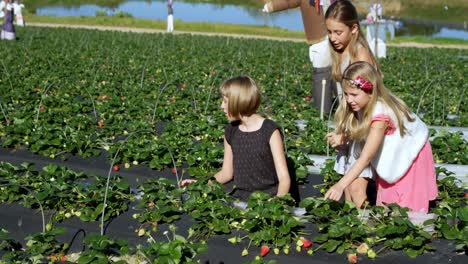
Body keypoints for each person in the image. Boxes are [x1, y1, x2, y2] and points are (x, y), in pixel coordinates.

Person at [324, 61, 438, 213]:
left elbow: (365, 157)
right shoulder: (363, 104)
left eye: (354, 95)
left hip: (411, 155)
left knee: (403, 207)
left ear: (370, 91)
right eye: (346, 94)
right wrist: (344, 136)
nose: (349, 100)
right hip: (395, 154)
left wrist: (340, 185)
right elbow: (362, 131)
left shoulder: (381, 115)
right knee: (387, 203)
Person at [181, 76, 291, 201]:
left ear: (238, 101)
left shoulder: (269, 130)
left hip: (268, 198)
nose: (222, 106)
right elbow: (226, 173)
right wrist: (199, 184)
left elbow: (284, 178)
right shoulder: (231, 131)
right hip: (240, 198)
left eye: (225, 101)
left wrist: (278, 201)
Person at [324, 0, 380, 208]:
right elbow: (348, 101)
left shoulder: (361, 55)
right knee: (349, 191)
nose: (332, 38)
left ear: (354, 28)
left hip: (364, 127)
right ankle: (354, 234)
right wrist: (342, 130)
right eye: (329, 32)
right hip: (352, 124)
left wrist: (346, 134)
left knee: (356, 189)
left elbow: (369, 103)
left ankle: (367, 233)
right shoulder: (340, 52)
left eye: (338, 32)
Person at [262, 0, 335, 113]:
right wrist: (271, 6)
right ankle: (323, 110)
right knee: (322, 73)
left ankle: (339, 107)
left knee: (338, 74)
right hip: (320, 37)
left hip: (338, 36)